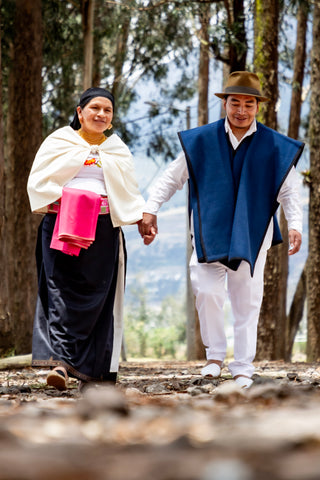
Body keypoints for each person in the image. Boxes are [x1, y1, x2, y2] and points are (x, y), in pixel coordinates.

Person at [140, 71, 304, 388]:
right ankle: (214, 356)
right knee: (207, 292)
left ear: (258, 107)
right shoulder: (201, 140)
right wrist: (150, 209)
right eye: (235, 103)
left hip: (253, 235)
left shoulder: (273, 145)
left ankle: (242, 365)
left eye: (248, 104)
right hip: (207, 233)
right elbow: (171, 178)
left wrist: (294, 224)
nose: (241, 110)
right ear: (225, 103)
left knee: (247, 300)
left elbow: (289, 191)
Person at [27, 87, 145, 391]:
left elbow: (129, 192)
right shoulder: (59, 142)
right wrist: (73, 199)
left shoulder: (117, 150)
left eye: (107, 110)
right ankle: (60, 366)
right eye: (95, 108)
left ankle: (92, 374)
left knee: (99, 299)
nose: (101, 114)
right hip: (62, 224)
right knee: (61, 294)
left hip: (104, 232)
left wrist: (142, 218)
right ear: (80, 112)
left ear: (112, 118)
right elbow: (40, 182)